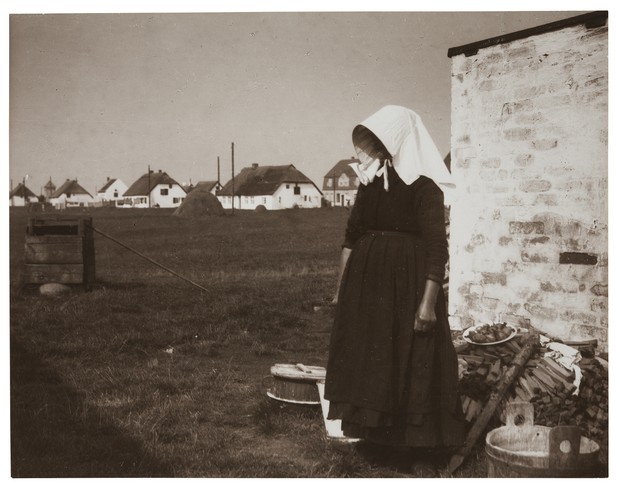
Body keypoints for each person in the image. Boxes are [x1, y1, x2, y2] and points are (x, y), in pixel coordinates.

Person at [324, 105, 465, 462]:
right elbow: (350, 238)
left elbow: (437, 248)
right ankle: (375, 438)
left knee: (410, 359)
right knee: (372, 361)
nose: (373, 150)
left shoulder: (424, 186)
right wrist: (342, 290)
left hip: (409, 287)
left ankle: (413, 448)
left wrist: (427, 304)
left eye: (381, 141)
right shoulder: (370, 183)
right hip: (368, 290)